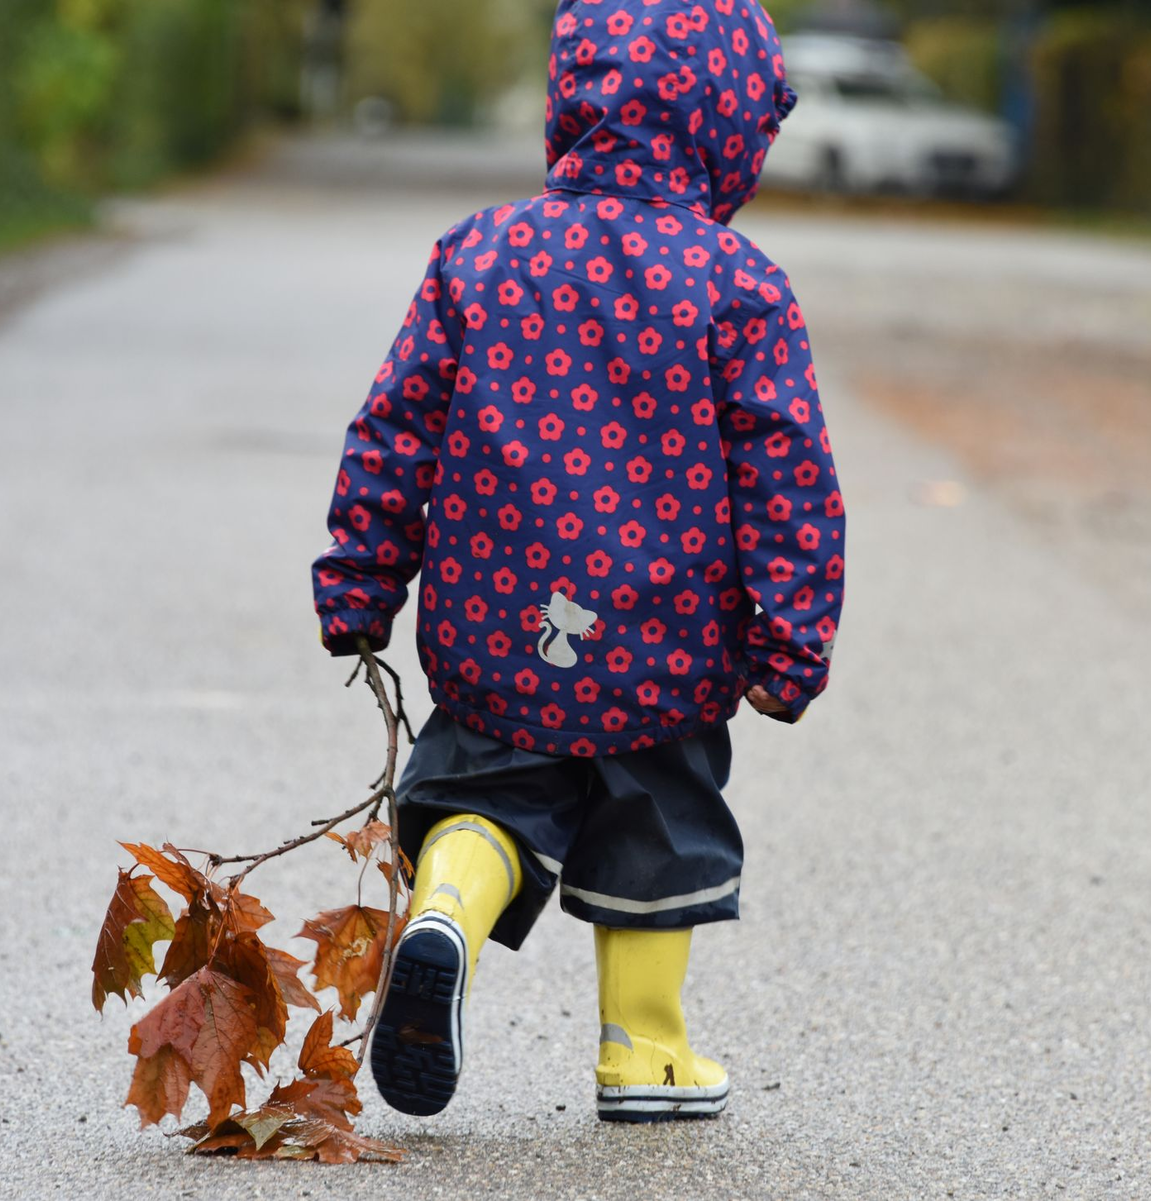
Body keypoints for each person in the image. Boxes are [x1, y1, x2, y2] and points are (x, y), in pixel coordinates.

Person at [312, 0, 845, 1123]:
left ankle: (448, 911)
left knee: (485, 796)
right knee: (659, 834)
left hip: (498, 629)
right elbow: (787, 473)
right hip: (668, 646)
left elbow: (395, 428)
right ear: (729, 125)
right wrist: (790, 645)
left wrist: (361, 581)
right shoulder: (739, 284)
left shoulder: (482, 253)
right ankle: (643, 1053)